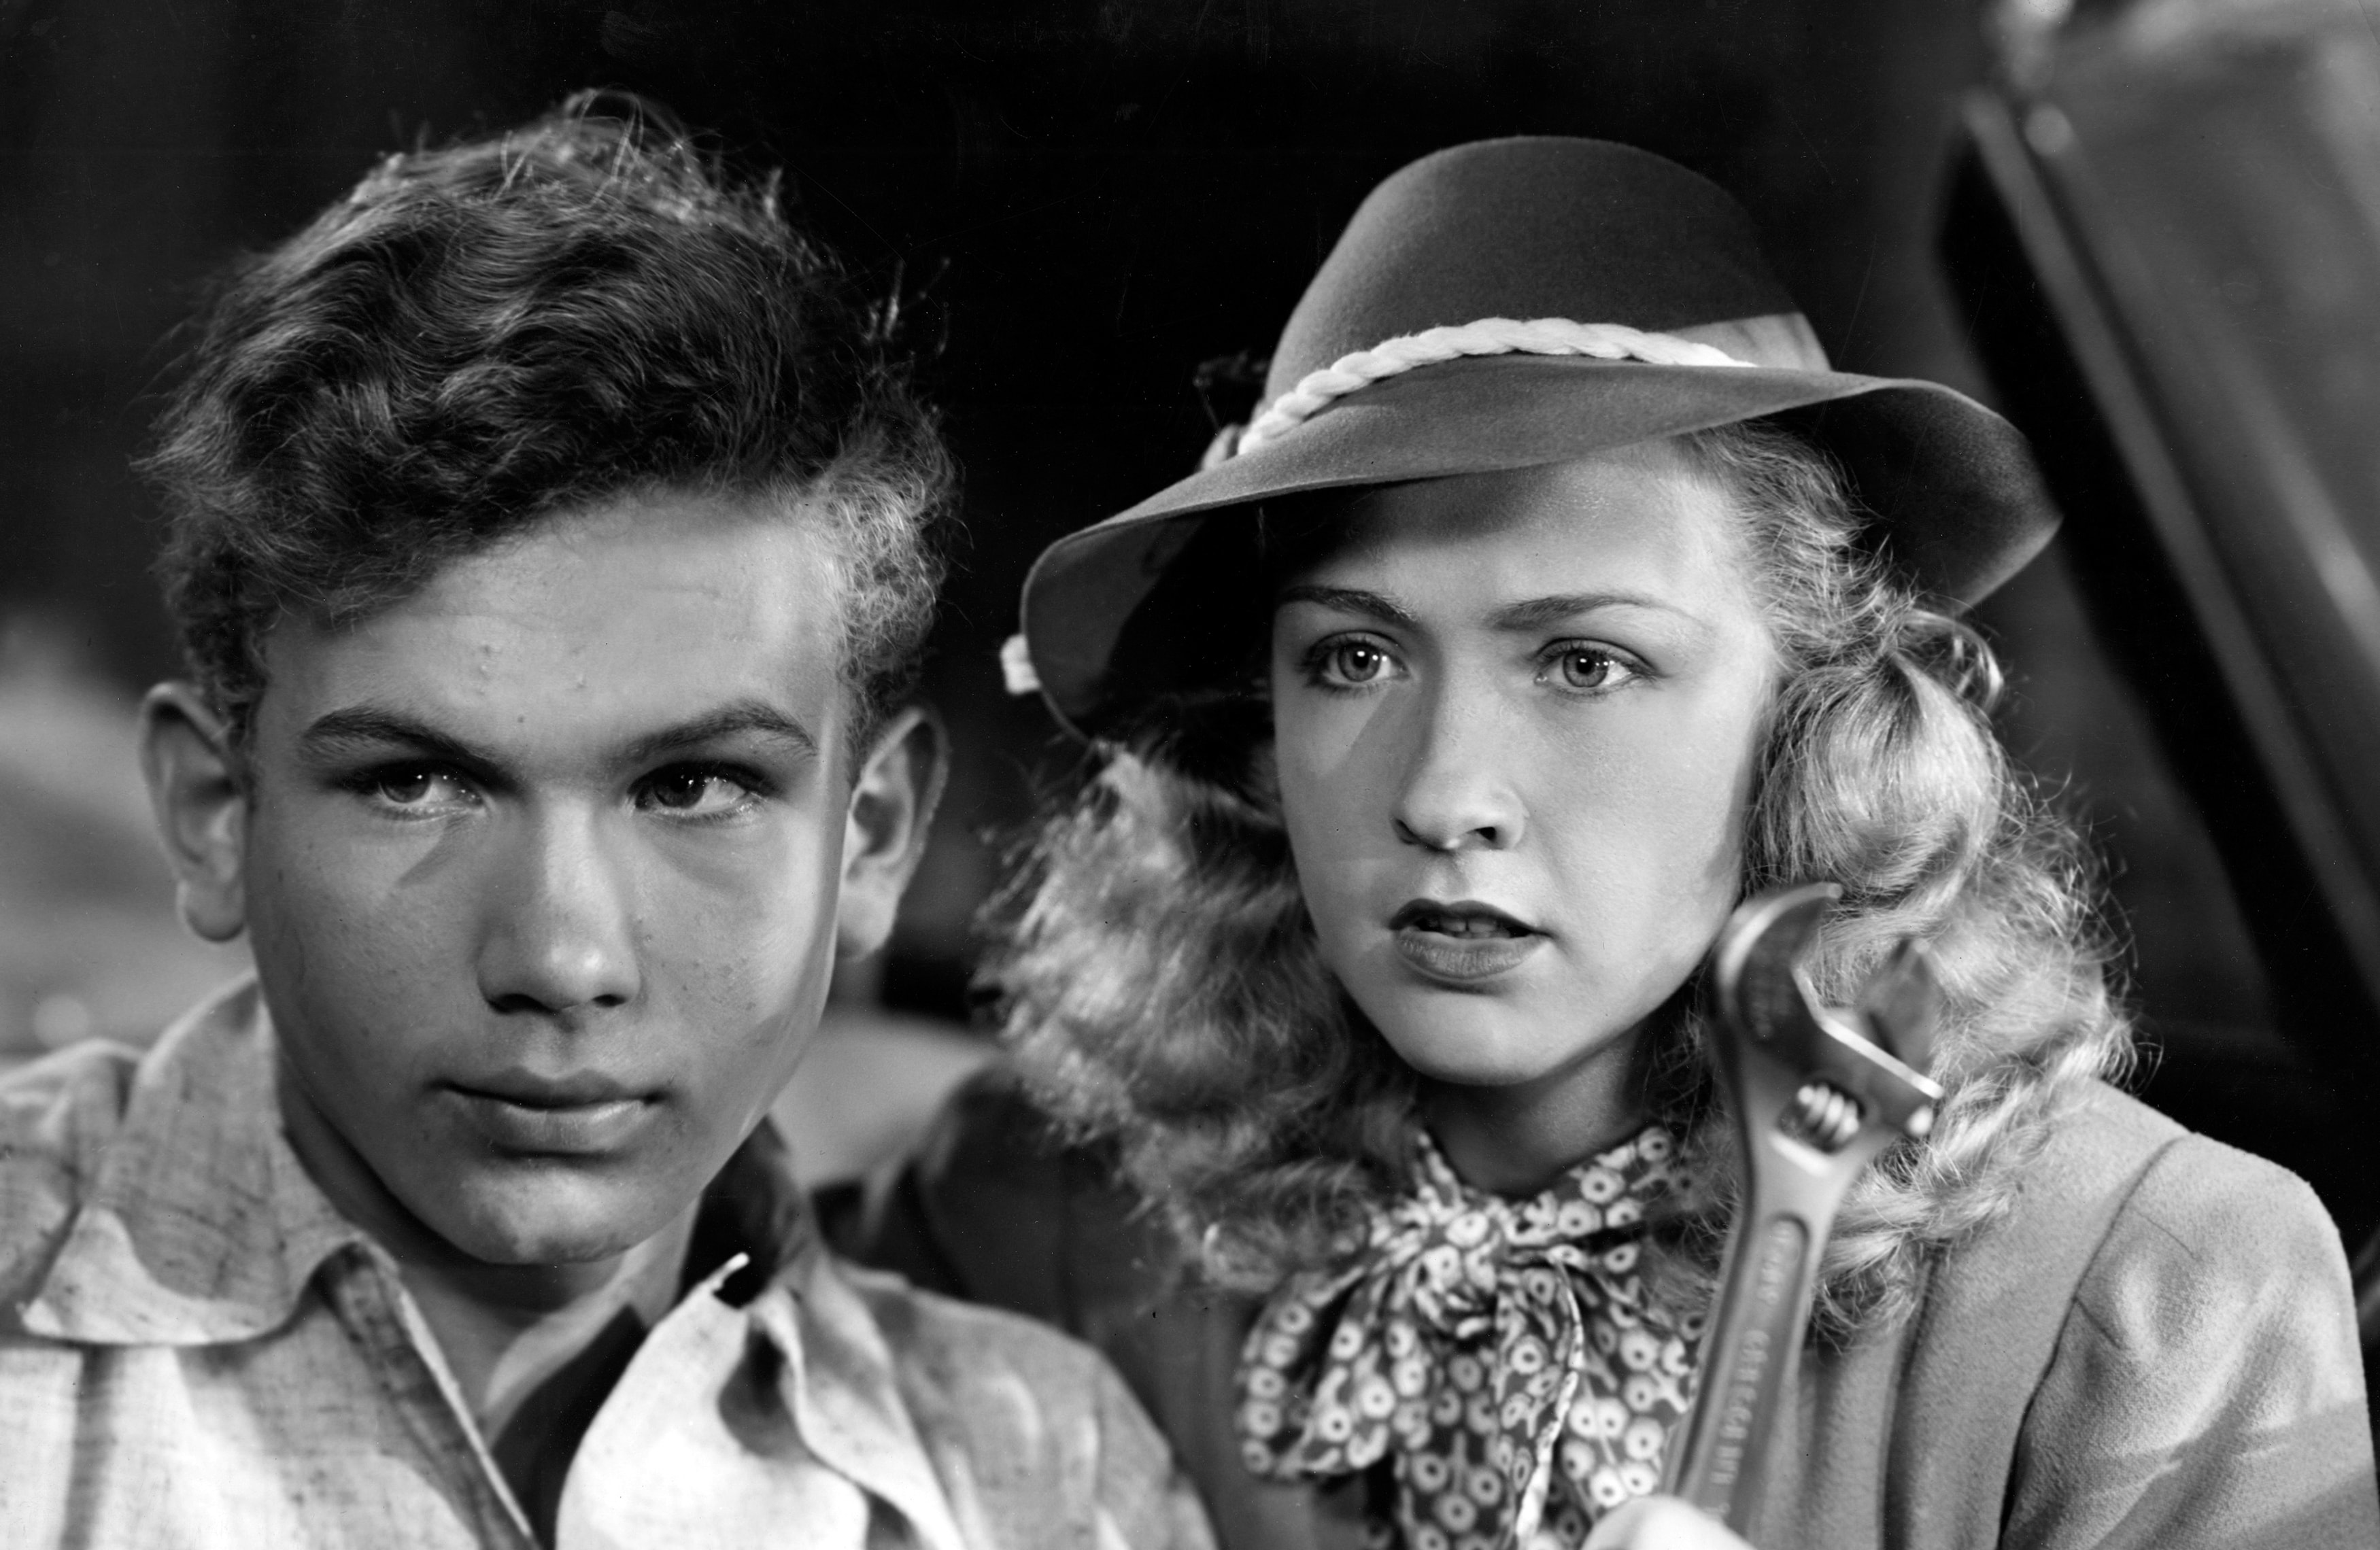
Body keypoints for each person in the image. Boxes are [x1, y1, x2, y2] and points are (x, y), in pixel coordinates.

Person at [871, 139, 2380, 1550]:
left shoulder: (2157, 1297)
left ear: (1812, 717)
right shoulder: (1042, 1213)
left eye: (1585, 663)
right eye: (1353, 659)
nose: (1446, 796)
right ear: (1258, 726)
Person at [0, 96, 1210, 1550]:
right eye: (414, 783)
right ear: (213, 817)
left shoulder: (1043, 1483)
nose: (563, 960)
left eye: (691, 787)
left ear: (873, 836)